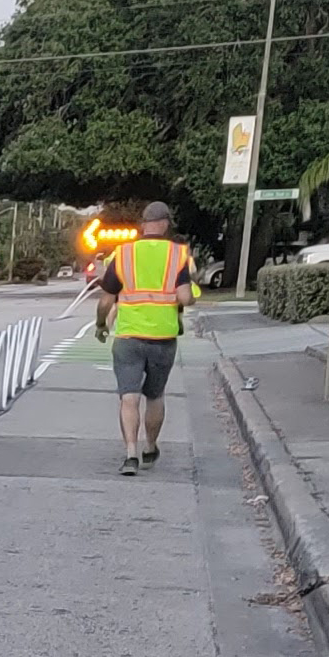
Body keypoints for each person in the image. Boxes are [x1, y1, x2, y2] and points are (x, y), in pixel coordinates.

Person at [95, 202, 199, 474]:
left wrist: (100, 325)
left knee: (128, 398)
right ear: (165, 224)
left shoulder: (124, 254)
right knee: (154, 396)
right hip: (163, 338)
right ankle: (150, 447)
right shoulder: (178, 255)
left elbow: (106, 299)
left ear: (143, 225)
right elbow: (185, 297)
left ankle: (130, 454)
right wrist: (194, 297)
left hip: (128, 336)